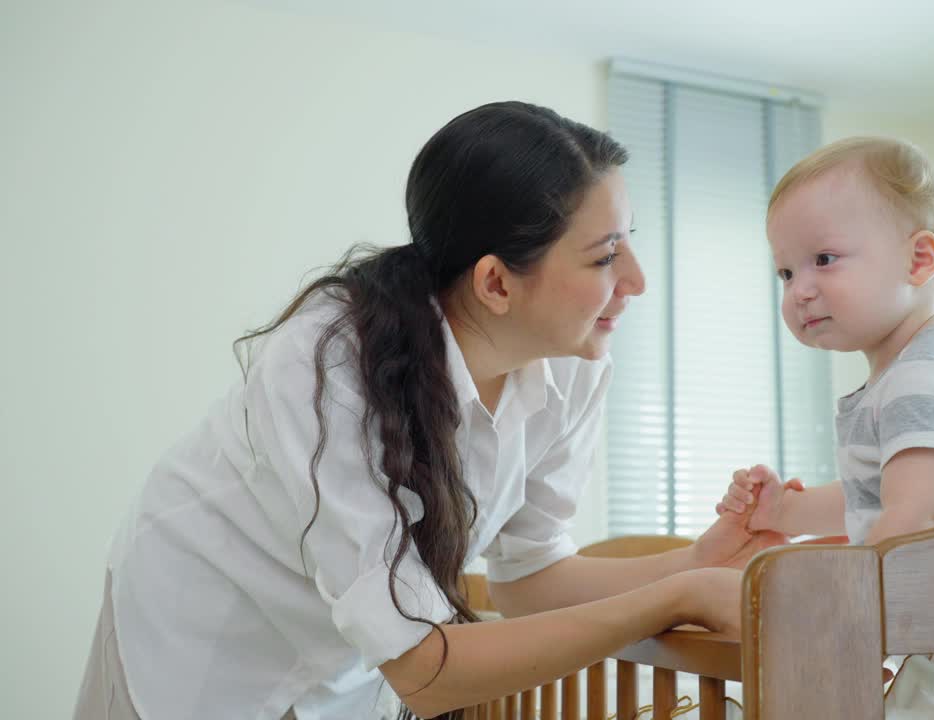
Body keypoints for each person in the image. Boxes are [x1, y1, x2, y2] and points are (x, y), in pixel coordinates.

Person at [74, 101, 780, 720]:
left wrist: (695, 560)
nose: (637, 282)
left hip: (342, 652)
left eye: (630, 244)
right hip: (198, 630)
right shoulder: (327, 369)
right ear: (496, 283)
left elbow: (530, 579)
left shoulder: (574, 366)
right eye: (603, 258)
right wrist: (672, 598)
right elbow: (424, 671)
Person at [717, 136, 934, 718]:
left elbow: (916, 518)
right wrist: (786, 514)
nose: (799, 289)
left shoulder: (927, 375)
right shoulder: (906, 376)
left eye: (823, 259)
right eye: (785, 271)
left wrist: (845, 616)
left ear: (918, 260)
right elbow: (879, 497)